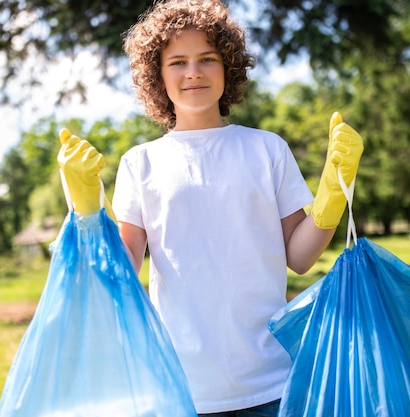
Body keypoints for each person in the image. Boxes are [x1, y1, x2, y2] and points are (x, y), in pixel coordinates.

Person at [57, 0, 364, 415]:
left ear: (229, 66)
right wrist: (88, 210)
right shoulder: (139, 162)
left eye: (208, 58)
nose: (194, 72)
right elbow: (123, 270)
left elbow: (301, 256)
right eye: (177, 62)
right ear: (156, 76)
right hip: (181, 385)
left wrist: (332, 192)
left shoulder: (267, 148)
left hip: (272, 379)